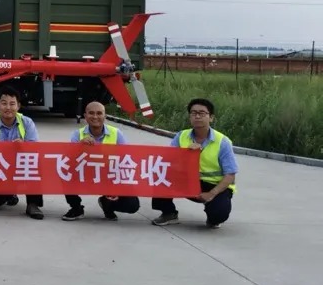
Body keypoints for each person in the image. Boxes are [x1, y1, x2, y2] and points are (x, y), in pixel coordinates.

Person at [151, 98, 237, 229]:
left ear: (211, 117)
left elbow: (230, 175)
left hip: (214, 185)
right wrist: (186, 154)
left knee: (218, 216)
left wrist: (211, 194)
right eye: (193, 113)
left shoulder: (222, 142)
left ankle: (213, 216)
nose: (197, 116)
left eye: (202, 113)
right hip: (188, 182)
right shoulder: (181, 136)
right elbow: (168, 162)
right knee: (160, 175)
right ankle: (169, 213)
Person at [61, 100, 139, 221]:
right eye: (91, 113)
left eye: (99, 113)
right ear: (85, 116)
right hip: (86, 174)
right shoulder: (78, 134)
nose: (95, 117)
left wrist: (117, 187)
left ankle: (107, 204)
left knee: (132, 205)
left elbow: (127, 160)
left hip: (110, 175)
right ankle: (76, 208)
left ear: (105, 116)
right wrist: (79, 146)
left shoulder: (117, 134)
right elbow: (68, 159)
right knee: (65, 173)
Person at [0, 86, 43, 219]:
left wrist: (23, 146)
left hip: (21, 165)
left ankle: (33, 204)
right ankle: (9, 193)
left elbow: (34, 150)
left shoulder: (27, 122)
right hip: (0, 167)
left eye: (12, 104)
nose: (8, 107)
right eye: (4, 103)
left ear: (18, 106)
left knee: (36, 164)